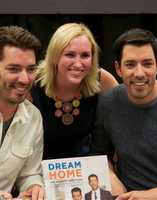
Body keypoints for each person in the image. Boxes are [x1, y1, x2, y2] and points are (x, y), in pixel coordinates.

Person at [91, 28, 157, 200]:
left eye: (147, 64)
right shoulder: (108, 103)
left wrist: (150, 196)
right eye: (130, 64)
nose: (139, 73)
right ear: (118, 69)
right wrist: (113, 181)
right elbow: (100, 156)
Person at [31, 23, 118, 160]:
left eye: (85, 56)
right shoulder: (32, 81)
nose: (78, 64)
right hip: (38, 171)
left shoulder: (102, 80)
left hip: (86, 170)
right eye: (70, 55)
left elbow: (122, 121)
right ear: (55, 56)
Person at [0, 26, 44, 199]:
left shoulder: (34, 117)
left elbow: (29, 173)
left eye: (31, 69)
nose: (25, 79)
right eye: (14, 69)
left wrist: (34, 186)